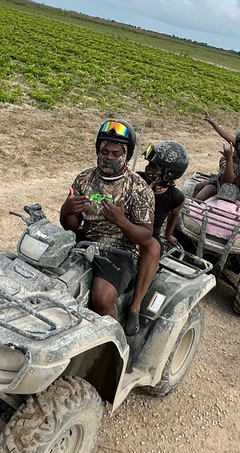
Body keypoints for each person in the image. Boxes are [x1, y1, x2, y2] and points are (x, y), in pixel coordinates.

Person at [60, 120, 155, 324]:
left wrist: (121, 222)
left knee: (102, 298)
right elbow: (72, 225)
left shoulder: (138, 188)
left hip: (121, 251)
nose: (108, 157)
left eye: (115, 154)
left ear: (126, 155)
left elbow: (146, 236)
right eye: (104, 152)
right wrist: (66, 210)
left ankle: (110, 343)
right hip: (84, 241)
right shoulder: (84, 179)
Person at [125, 141, 189, 336]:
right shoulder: (136, 179)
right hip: (126, 228)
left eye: (154, 166)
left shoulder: (175, 197)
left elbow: (174, 216)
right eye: (149, 164)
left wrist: (168, 235)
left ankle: (135, 307)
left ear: (168, 173)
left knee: (153, 247)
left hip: (148, 238)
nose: (148, 168)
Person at [193, 127, 240, 221]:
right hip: (220, 185)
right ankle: (187, 215)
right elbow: (227, 179)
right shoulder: (227, 156)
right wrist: (229, 160)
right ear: (236, 146)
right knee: (199, 195)